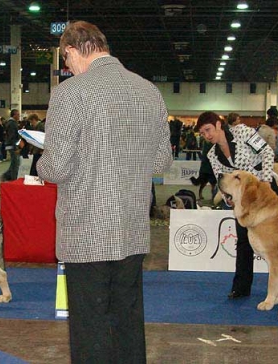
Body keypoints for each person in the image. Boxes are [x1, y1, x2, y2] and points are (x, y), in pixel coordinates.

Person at [36, 21, 172, 364]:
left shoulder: (71, 92)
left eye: (66, 61)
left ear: (70, 51)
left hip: (87, 229)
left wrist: (41, 160)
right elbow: (161, 161)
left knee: (90, 325)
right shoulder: (148, 91)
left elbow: (57, 168)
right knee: (127, 321)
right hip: (132, 229)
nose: (67, 68)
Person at [195, 111, 278, 300]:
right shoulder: (212, 155)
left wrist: (265, 182)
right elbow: (221, 182)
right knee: (243, 242)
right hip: (242, 203)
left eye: (208, 130)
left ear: (218, 124)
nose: (206, 136)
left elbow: (267, 152)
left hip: (265, 193)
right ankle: (241, 288)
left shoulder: (243, 132)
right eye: (202, 133)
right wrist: (228, 199)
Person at [2, 109, 21, 181]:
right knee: (15, 163)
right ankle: (13, 177)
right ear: (14, 115)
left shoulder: (9, 123)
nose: (19, 116)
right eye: (18, 114)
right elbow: (12, 136)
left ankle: (7, 175)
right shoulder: (12, 124)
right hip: (12, 145)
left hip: (10, 145)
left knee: (14, 162)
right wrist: (16, 147)